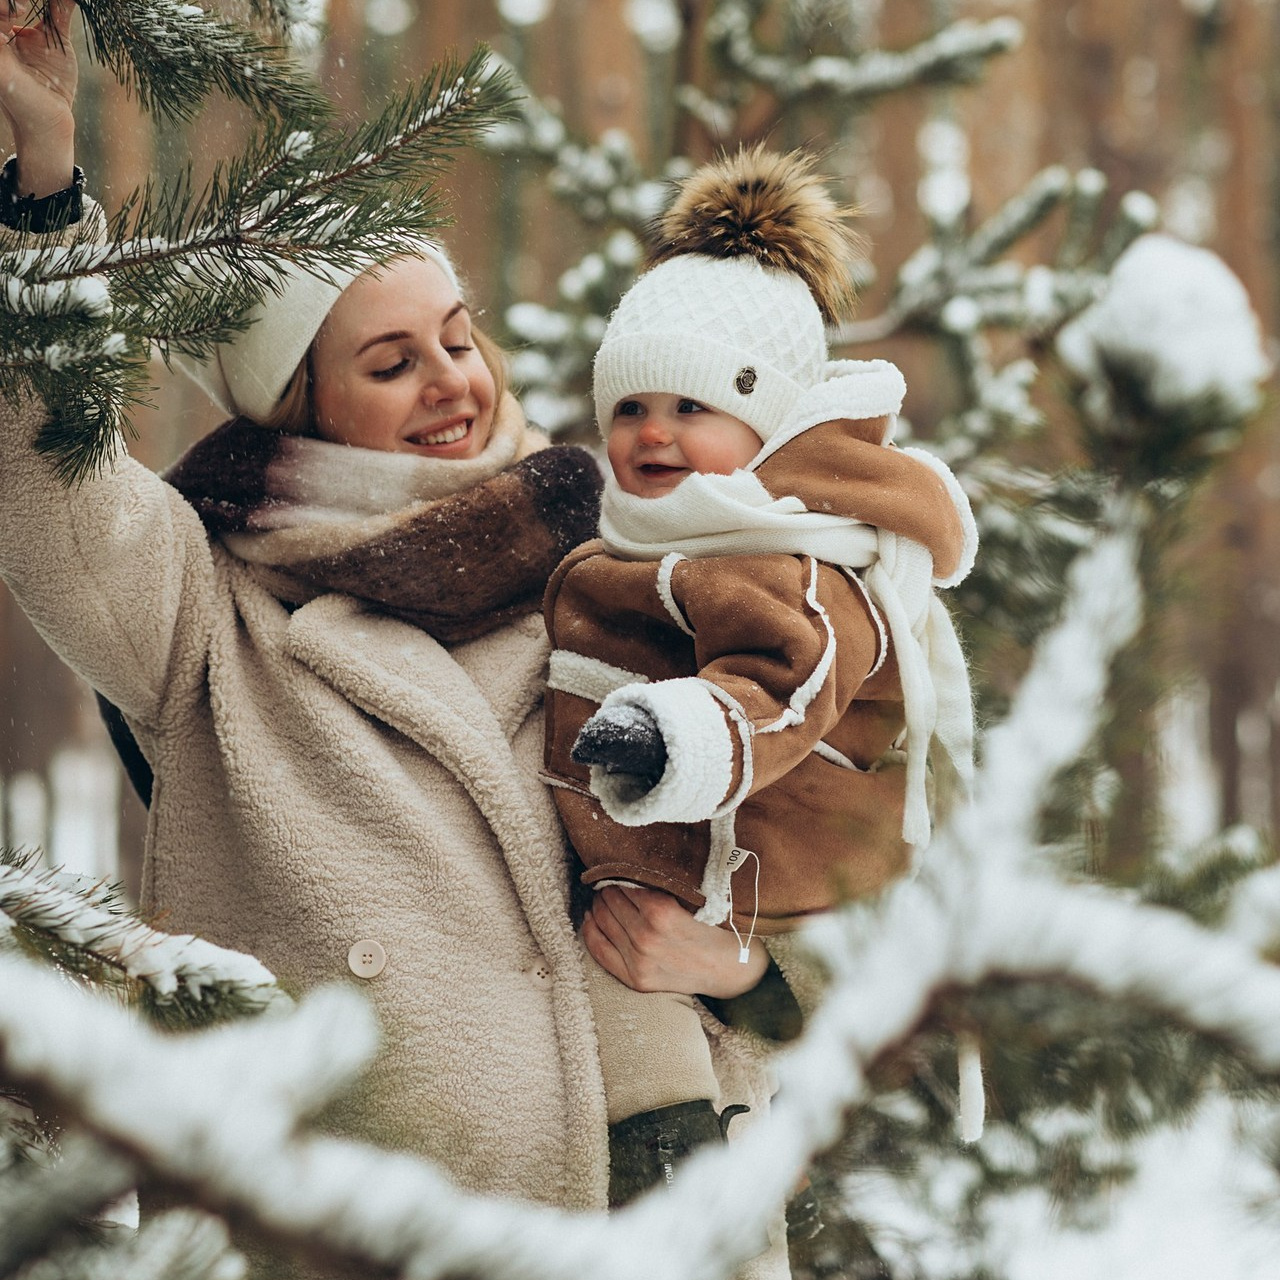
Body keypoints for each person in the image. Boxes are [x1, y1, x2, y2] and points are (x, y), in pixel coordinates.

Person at [0, 8, 798, 1278]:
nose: (452, 382)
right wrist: (42, 184)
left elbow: (815, 838)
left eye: (456, 335)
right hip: (344, 1232)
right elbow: (55, 493)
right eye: (390, 361)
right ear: (296, 406)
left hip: (664, 1202)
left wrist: (746, 970)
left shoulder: (626, 558)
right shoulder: (210, 613)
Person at [543, 147, 979, 1201]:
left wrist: (675, 735)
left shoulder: (791, 556)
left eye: (692, 407)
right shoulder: (634, 537)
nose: (654, 430)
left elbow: (786, 681)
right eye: (630, 406)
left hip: (766, 902)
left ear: (768, 421)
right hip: (651, 916)